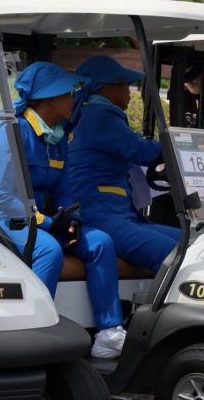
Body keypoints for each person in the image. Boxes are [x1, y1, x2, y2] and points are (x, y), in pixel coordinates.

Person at [0, 61, 126, 359]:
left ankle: (110, 333)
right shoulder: (12, 133)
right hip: (0, 217)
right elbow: (1, 197)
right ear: (51, 98)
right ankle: (33, 330)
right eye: (69, 94)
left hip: (40, 217)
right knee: (48, 251)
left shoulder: (56, 137)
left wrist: (72, 219)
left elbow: (64, 189)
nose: (74, 100)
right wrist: (46, 223)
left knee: (101, 243)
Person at [69, 55, 181, 274]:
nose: (129, 91)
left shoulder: (89, 113)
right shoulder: (101, 115)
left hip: (117, 214)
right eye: (124, 84)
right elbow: (140, 150)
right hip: (101, 215)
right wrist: (181, 148)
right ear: (106, 88)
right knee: (178, 256)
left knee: (195, 242)